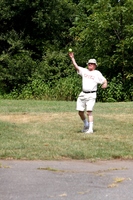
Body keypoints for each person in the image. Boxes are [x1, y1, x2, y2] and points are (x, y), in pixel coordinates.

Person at [69, 52, 107, 134]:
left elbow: (104, 80)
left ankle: (90, 129)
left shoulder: (97, 73)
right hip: (83, 94)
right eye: (89, 63)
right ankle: (86, 124)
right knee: (80, 112)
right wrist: (72, 58)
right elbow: (76, 66)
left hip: (91, 94)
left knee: (89, 111)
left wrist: (105, 84)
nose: (90, 64)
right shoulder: (84, 71)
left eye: (92, 64)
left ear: (95, 65)